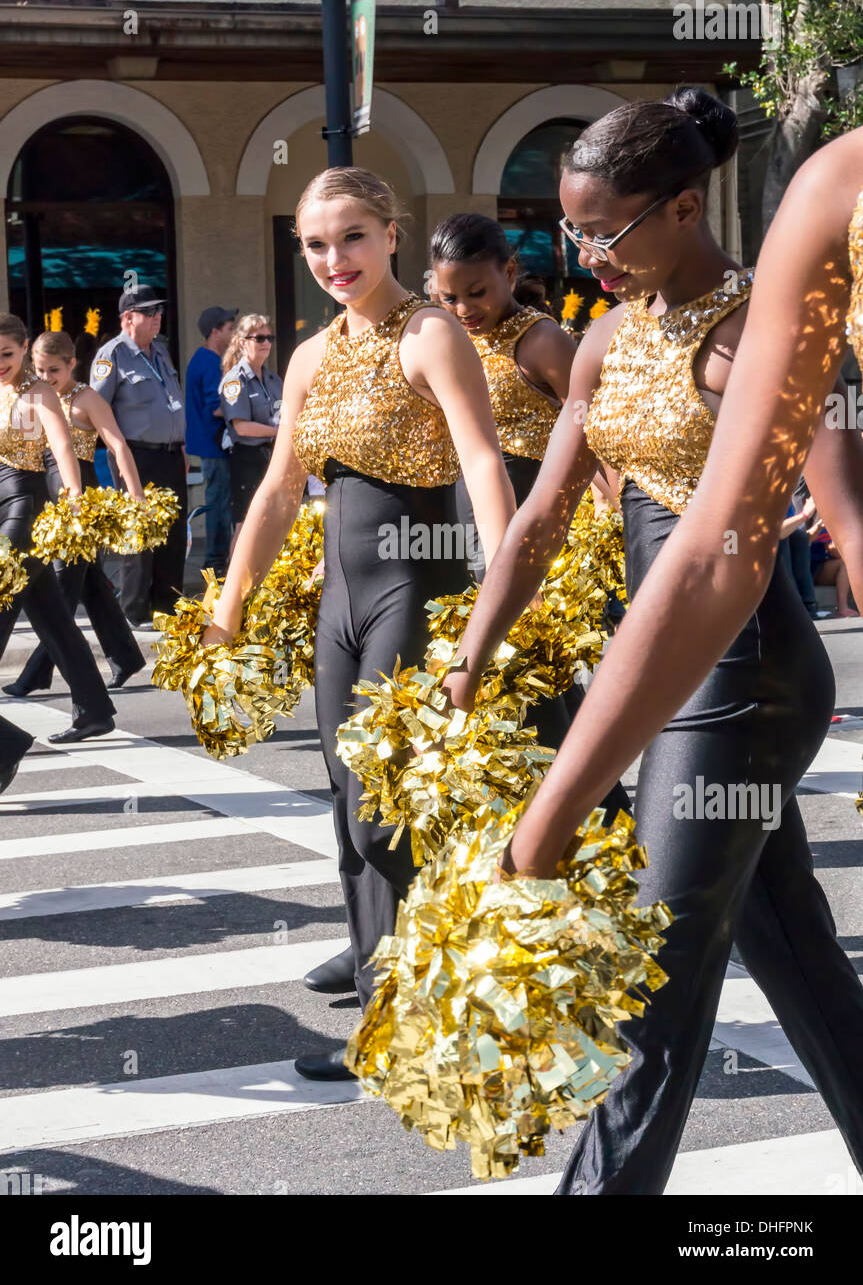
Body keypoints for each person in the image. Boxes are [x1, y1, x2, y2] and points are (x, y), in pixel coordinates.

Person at [442, 94, 863, 1193]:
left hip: (742, 671)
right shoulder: (604, 341)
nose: (585, 253)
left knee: (650, 980)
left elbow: (831, 519)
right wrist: (471, 651)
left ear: (683, 206)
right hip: (669, 650)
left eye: (607, 231)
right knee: (797, 956)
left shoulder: (756, 325)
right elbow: (539, 519)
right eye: (570, 231)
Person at [202, 167, 516, 1079]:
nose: (333, 259)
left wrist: (502, 597)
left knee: (386, 809)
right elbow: (275, 490)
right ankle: (380, 962)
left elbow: (484, 466)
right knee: (349, 803)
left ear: (390, 235)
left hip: (415, 585)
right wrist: (229, 609)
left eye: (351, 238)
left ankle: (414, 999)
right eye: (315, 243)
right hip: (339, 597)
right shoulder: (307, 354)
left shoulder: (429, 335)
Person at [429, 211, 630, 816]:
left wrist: (615, 511)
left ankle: (600, 820)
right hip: (461, 533)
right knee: (504, 688)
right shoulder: (443, 338)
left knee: (539, 685)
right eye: (448, 296)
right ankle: (563, 820)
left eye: (477, 292)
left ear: (509, 272)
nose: (463, 307)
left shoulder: (540, 339)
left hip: (533, 531)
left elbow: (606, 432)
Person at [3, 331, 146, 698]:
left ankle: (36, 673)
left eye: (54, 369)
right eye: (40, 369)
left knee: (61, 589)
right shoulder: (30, 395)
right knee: (92, 587)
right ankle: (126, 657)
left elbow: (117, 445)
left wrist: (135, 495)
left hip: (79, 499)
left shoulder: (86, 399)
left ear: (71, 364)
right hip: (48, 498)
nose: (47, 377)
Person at [0, 312, 115, 745]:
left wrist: (75, 504)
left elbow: (63, 448)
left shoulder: (41, 391)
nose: (0, 362)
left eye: (7, 354)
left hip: (26, 511)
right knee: (53, 618)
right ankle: (94, 709)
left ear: (24, 347)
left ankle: (6, 747)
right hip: (2, 509)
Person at [89, 286, 188, 626]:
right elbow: (95, 411)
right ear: (127, 318)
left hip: (172, 454)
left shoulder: (160, 352)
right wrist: (118, 453)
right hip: (136, 456)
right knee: (138, 532)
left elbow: (172, 400)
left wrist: (183, 448)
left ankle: (167, 603)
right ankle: (134, 609)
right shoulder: (111, 355)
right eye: (149, 312)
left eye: (159, 311)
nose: (157, 316)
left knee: (172, 533)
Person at [219, 314, 282, 556]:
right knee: (246, 524)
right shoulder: (235, 380)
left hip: (271, 457)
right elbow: (241, 427)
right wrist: (279, 431)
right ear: (244, 342)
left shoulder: (273, 379)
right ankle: (232, 584)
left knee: (272, 522)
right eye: (259, 338)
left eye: (269, 337)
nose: (266, 343)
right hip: (247, 458)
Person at [185, 306, 237, 576]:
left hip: (212, 445)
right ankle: (216, 563)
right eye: (230, 328)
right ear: (215, 332)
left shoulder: (204, 359)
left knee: (220, 501)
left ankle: (217, 559)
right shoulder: (208, 362)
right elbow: (216, 407)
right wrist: (245, 410)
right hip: (214, 446)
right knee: (219, 503)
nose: (234, 333)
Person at [811, 517, 857, 617]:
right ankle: (842, 607)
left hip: (822, 565)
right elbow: (833, 551)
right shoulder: (825, 520)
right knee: (844, 564)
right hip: (812, 568)